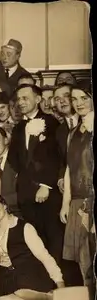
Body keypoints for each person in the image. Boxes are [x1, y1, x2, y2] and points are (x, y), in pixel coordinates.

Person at [7, 84, 65, 269]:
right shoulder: (18, 128)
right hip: (26, 194)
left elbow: (57, 157)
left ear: (38, 99)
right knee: (35, 239)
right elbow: (15, 159)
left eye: (25, 98)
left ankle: (59, 282)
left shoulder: (52, 123)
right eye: (18, 99)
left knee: (53, 238)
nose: (20, 102)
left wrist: (46, 185)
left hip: (47, 193)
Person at [0, 193, 65, 300]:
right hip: (7, 277)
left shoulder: (24, 227)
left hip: (29, 274)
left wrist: (60, 282)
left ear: (4, 206)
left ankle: (49, 298)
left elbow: (44, 256)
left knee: (20, 292)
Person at [59, 87, 95, 286]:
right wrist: (66, 203)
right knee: (83, 255)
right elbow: (69, 169)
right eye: (74, 99)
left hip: (92, 199)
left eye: (84, 98)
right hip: (77, 201)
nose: (79, 103)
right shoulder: (72, 133)